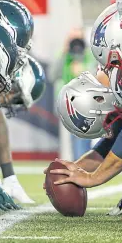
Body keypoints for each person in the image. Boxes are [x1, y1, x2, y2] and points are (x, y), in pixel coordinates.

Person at [52, 32, 97, 160]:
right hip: (68, 103)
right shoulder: (64, 57)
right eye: (73, 40)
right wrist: (64, 53)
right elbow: (52, 74)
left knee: (83, 135)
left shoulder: (90, 56)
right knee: (74, 137)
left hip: (87, 102)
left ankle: (82, 163)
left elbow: (96, 75)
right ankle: (79, 163)